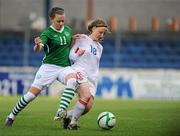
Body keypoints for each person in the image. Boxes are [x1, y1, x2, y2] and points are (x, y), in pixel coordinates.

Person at [5, 7, 81, 127]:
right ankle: (11, 116)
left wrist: (72, 39)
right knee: (31, 96)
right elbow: (38, 48)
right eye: (58, 21)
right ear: (51, 19)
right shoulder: (47, 33)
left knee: (72, 79)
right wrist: (36, 45)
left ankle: (60, 112)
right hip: (49, 67)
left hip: (64, 67)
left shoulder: (67, 30)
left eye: (63, 20)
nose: (61, 23)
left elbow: (68, 46)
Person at [55, 18, 110, 130]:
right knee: (86, 96)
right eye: (100, 32)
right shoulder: (82, 39)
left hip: (92, 79)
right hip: (79, 72)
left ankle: (66, 115)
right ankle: (73, 123)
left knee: (88, 107)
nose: (102, 35)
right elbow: (71, 56)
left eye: (104, 33)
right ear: (93, 28)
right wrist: (78, 54)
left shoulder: (100, 47)